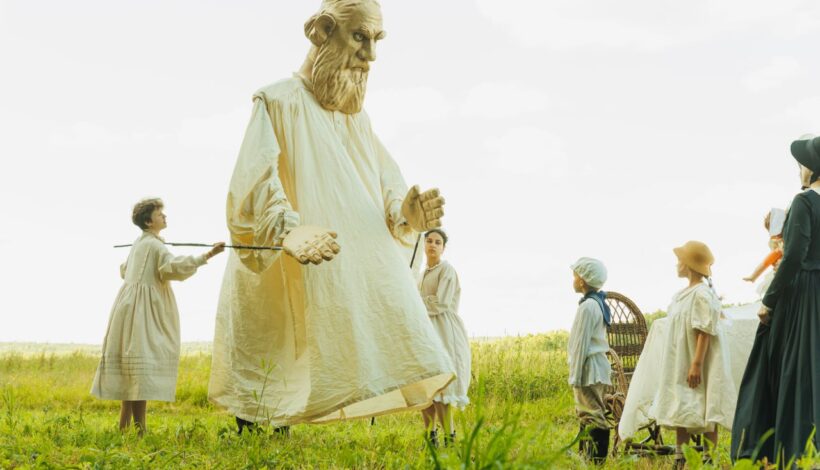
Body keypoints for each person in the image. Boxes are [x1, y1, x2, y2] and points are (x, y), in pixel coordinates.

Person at [208, 0, 455, 432]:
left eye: (376, 40)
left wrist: (405, 213)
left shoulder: (357, 120)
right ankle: (253, 427)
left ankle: (278, 427)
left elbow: (384, 180)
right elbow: (256, 176)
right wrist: (285, 230)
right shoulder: (277, 100)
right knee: (271, 343)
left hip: (328, 261)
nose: (370, 55)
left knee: (308, 351)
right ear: (321, 31)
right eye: (359, 37)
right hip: (281, 255)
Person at [91, 198, 224, 434]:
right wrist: (208, 255)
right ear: (148, 221)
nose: (164, 216)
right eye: (160, 214)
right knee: (140, 370)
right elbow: (172, 268)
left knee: (131, 370)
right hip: (143, 312)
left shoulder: (140, 244)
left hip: (127, 307)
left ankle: (124, 427)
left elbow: (124, 270)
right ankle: (140, 429)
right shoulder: (154, 246)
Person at [732, 135, 820, 464]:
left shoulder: (805, 201)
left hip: (803, 295)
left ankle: (791, 451)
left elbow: (794, 256)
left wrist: (768, 301)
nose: (799, 170)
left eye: (802, 165)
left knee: (793, 369)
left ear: (812, 168)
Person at [649, 241, 735, 468]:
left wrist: (696, 363)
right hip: (680, 358)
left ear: (689, 264)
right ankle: (681, 455)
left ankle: (709, 458)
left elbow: (704, 331)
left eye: (680, 260)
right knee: (681, 403)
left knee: (705, 404)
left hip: (696, 358)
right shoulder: (681, 296)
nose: (677, 264)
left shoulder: (702, 294)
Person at [418, 229, 470, 447]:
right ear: (423, 244)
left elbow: (441, 302)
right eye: (429, 241)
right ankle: (431, 438)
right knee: (425, 388)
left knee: (442, 388)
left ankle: (450, 438)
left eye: (437, 242)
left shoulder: (446, 270)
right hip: (426, 333)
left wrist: (414, 302)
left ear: (443, 248)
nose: (432, 245)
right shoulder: (421, 274)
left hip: (444, 332)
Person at [568, 257, 612, 464]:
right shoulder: (596, 304)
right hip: (597, 368)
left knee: (593, 415)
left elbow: (581, 345)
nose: (573, 280)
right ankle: (588, 457)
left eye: (575, 276)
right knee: (589, 413)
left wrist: (575, 376)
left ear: (582, 280)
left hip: (589, 370)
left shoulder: (587, 307)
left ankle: (596, 461)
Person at [743, 209, 785, 297]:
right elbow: (765, 263)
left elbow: (765, 263)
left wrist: (753, 276)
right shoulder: (778, 248)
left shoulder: (782, 245)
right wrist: (753, 276)